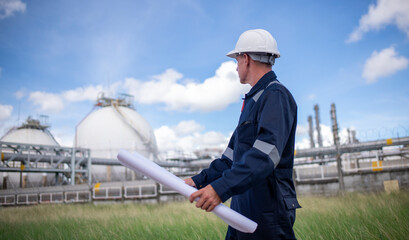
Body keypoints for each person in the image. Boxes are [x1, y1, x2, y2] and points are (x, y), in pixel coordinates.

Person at [184, 29, 300, 239]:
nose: (236, 67)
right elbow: (230, 160)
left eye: (236, 60)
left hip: (268, 212)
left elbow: (265, 157)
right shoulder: (253, 101)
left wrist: (220, 189)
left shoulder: (275, 96)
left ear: (245, 59)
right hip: (242, 208)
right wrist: (198, 180)